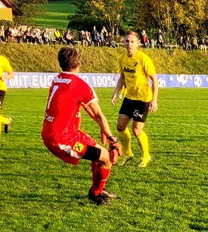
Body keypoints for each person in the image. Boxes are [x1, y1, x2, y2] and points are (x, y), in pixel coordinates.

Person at [42, 47, 124, 205]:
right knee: (107, 159)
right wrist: (112, 139)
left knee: (101, 154)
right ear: (79, 63)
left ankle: (98, 189)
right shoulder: (80, 85)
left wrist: (102, 129)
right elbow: (98, 114)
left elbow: (85, 107)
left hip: (67, 133)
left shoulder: (57, 79)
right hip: (61, 138)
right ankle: (95, 193)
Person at [110, 31, 159, 167]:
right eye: (127, 41)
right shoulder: (122, 58)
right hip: (129, 97)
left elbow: (154, 79)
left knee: (137, 130)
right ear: (124, 43)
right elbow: (122, 77)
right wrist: (115, 93)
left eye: (132, 42)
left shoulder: (143, 59)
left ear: (138, 44)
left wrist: (154, 100)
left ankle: (145, 156)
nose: (129, 44)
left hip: (142, 99)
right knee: (120, 126)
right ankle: (128, 153)